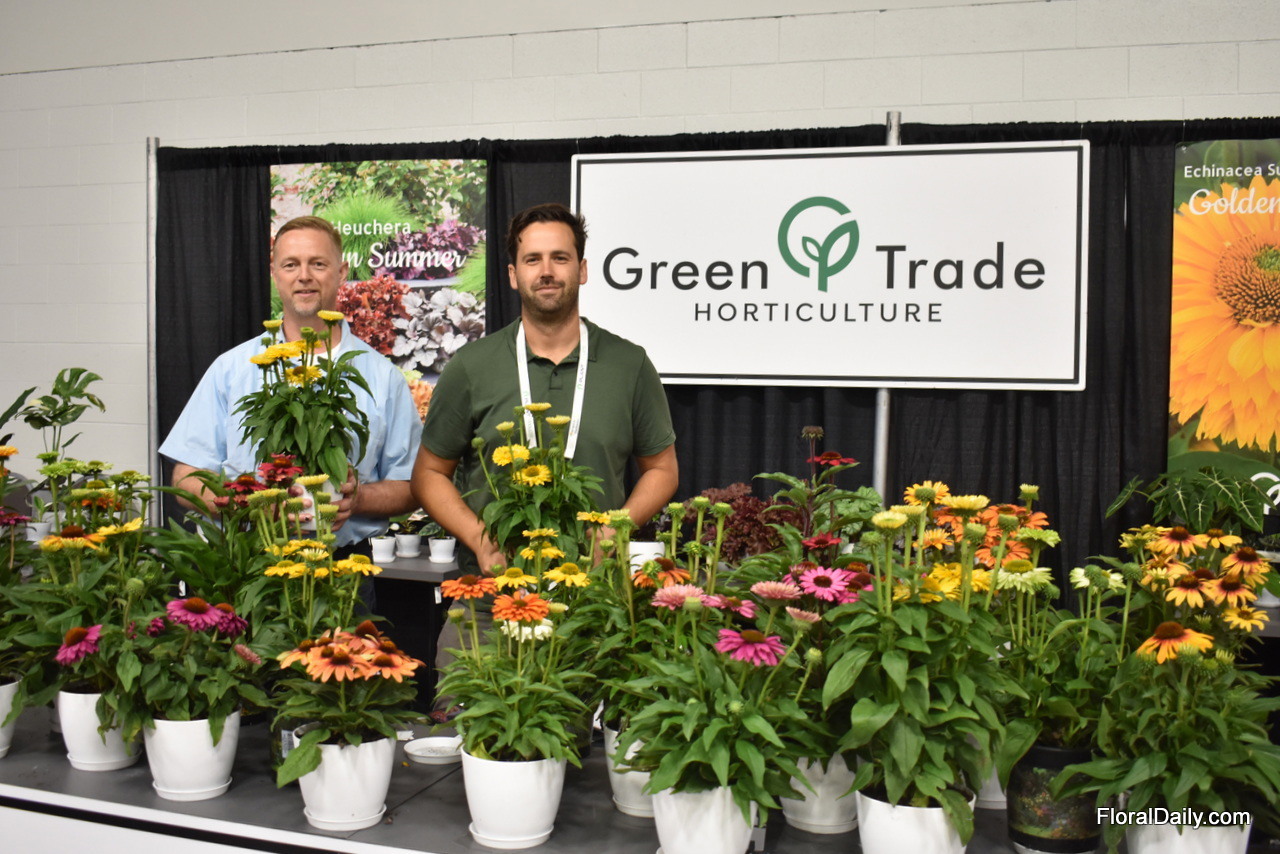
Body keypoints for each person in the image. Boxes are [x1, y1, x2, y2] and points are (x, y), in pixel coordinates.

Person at [412, 202, 678, 575]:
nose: (547, 271)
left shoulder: (629, 365)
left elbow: (663, 469)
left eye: (560, 258)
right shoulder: (471, 367)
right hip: (494, 591)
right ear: (513, 274)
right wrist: (479, 539)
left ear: (582, 270)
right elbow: (428, 473)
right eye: (533, 259)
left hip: (595, 592)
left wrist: (613, 530)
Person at [160, 215, 423, 548]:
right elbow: (186, 478)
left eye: (318, 264)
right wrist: (251, 504)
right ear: (274, 273)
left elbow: (411, 486)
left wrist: (358, 498)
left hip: (342, 563)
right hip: (248, 559)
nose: (304, 276)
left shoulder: (382, 377)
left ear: (342, 272)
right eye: (290, 265)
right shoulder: (232, 369)